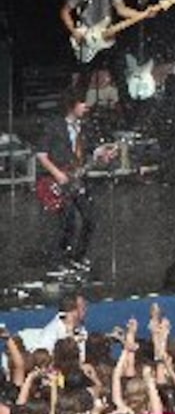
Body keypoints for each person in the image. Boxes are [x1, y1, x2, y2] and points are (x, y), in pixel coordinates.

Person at [35, 83, 115, 273]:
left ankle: (77, 256)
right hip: (57, 180)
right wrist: (58, 174)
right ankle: (56, 259)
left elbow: (89, 150)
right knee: (67, 222)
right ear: (72, 105)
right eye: (82, 103)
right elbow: (40, 154)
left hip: (77, 180)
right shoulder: (54, 126)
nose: (86, 107)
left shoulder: (83, 127)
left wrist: (102, 154)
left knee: (91, 218)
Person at [59, 0, 153, 110]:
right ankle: (78, 111)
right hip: (88, 38)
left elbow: (121, 10)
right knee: (85, 78)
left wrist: (143, 14)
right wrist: (74, 31)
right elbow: (65, 11)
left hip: (106, 38)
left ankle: (127, 109)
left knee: (119, 71)